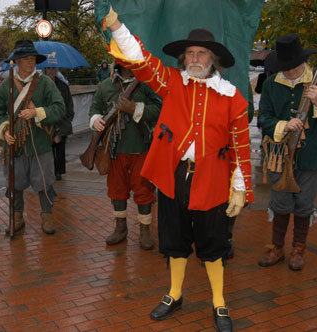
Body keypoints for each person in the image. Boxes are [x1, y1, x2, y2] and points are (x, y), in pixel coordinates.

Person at [103, 8, 254, 331]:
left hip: (213, 181)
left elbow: (241, 147)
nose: (195, 58)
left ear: (213, 59)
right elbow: (140, 60)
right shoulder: (170, 82)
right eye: (190, 54)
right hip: (174, 177)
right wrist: (116, 25)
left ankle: (218, 301)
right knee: (175, 238)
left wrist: (240, 188)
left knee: (214, 244)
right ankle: (174, 293)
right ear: (183, 59)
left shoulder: (233, 99)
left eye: (202, 53)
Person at [257, 33, 317, 271]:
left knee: (304, 203)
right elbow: (263, 117)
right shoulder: (272, 83)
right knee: (280, 201)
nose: (291, 71)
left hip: (310, 153)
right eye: (286, 67)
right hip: (278, 154)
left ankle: (298, 248)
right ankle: (277, 247)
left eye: (294, 67)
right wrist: (283, 125)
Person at [0, 40, 65, 235]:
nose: (30, 63)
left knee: (44, 182)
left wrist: (37, 113)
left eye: (32, 59)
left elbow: (60, 108)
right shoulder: (6, 84)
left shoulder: (45, 83)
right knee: (14, 183)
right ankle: (16, 217)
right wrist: (5, 130)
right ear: (15, 62)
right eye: (25, 59)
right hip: (13, 144)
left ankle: (47, 216)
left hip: (40, 142)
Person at [89, 62, 161, 250]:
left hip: (141, 147)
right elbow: (95, 107)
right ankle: (120, 228)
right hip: (114, 149)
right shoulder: (106, 85)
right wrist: (95, 119)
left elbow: (160, 108)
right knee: (116, 190)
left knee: (144, 190)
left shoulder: (147, 83)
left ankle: (145, 231)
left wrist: (136, 109)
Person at [43, 67, 74, 180]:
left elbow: (69, 103)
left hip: (61, 122)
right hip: (47, 123)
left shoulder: (63, 86)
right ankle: (49, 170)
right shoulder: (41, 85)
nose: (51, 71)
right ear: (45, 70)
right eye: (49, 69)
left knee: (60, 149)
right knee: (48, 149)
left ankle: (59, 171)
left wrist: (68, 118)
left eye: (53, 69)